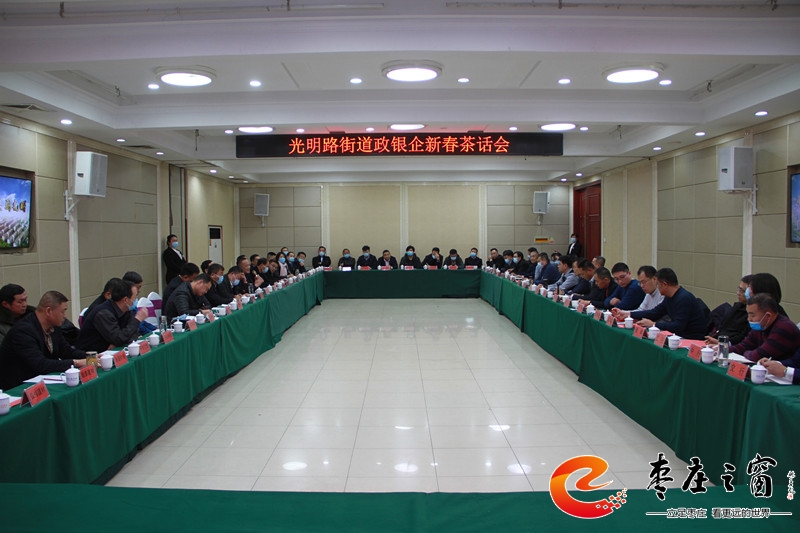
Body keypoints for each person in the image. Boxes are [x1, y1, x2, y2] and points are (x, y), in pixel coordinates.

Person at [0, 291, 87, 391]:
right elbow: (41, 365)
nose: (65, 316)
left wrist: (91, 356)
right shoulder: (23, 331)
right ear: (49, 311)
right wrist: (77, 363)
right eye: (63, 311)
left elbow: (66, 351)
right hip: (16, 389)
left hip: (40, 383)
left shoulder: (54, 326)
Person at [708, 293, 800, 363]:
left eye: (752, 315)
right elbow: (743, 346)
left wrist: (746, 352)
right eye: (748, 314)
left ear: (768, 315)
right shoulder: (761, 326)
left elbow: (757, 356)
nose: (749, 319)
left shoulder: (784, 328)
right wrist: (722, 349)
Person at [621, 268, 708, 340]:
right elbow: (655, 312)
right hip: (679, 336)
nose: (657, 288)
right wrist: (629, 314)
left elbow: (678, 326)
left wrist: (654, 324)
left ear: (665, 284)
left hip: (692, 338)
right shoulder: (669, 297)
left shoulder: (684, 298)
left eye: (658, 285)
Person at [77, 279, 148, 352]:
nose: (136, 300)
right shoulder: (103, 313)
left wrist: (120, 343)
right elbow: (119, 338)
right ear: (125, 300)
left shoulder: (126, 309)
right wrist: (137, 320)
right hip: (92, 354)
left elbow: (133, 333)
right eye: (135, 297)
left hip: (111, 350)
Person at [704, 275, 751, 345]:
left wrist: (723, 343)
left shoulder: (750, 314)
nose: (738, 293)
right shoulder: (737, 307)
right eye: (739, 289)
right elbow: (724, 329)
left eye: (742, 291)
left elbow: (742, 338)